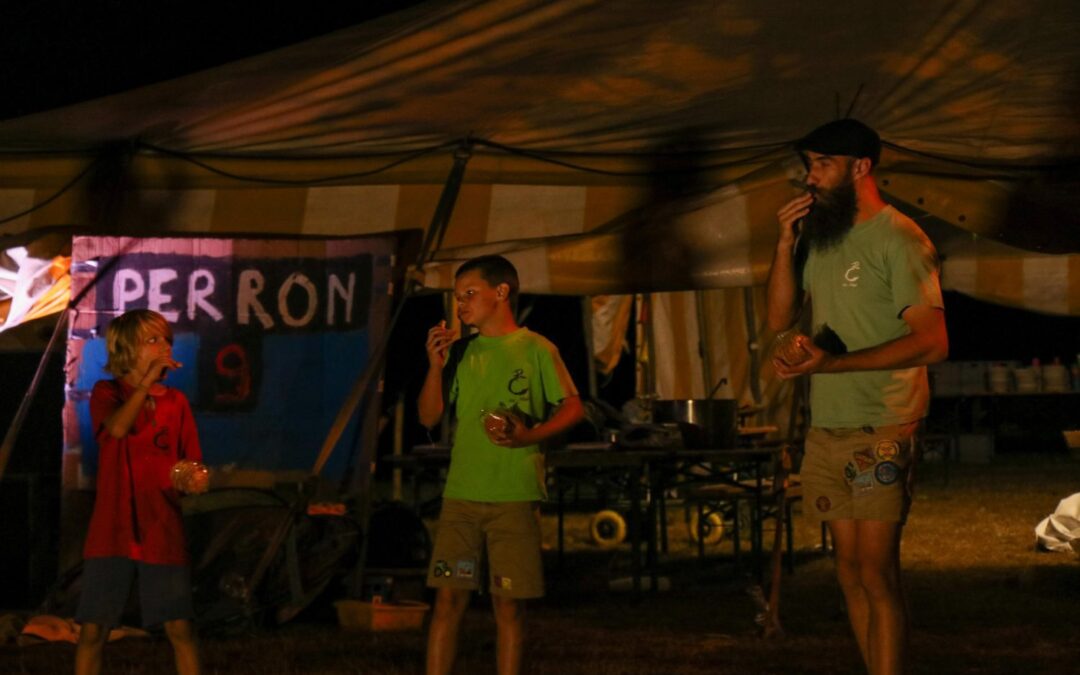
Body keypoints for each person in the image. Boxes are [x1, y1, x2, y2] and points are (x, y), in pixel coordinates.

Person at [765, 119, 948, 675]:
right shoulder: (821, 237)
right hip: (828, 424)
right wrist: (784, 243)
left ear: (861, 167)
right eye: (809, 165)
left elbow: (933, 342)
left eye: (823, 164)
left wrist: (834, 363)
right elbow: (778, 319)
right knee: (846, 571)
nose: (810, 177)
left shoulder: (900, 237)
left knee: (876, 572)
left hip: (882, 424)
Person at [418, 255, 584, 675]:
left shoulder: (537, 348)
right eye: (457, 297)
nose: (461, 304)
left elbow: (573, 406)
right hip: (461, 496)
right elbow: (429, 417)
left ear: (502, 292)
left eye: (470, 294)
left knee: (508, 605)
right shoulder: (461, 353)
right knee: (448, 598)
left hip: (514, 495)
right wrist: (435, 367)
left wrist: (530, 436)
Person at [75, 309, 206, 675]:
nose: (164, 346)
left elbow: (190, 462)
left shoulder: (176, 403)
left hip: (162, 529)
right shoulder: (107, 392)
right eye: (153, 340)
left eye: (167, 339)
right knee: (93, 631)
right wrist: (145, 384)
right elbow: (117, 430)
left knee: (181, 628)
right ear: (127, 350)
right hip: (112, 531)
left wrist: (192, 479)